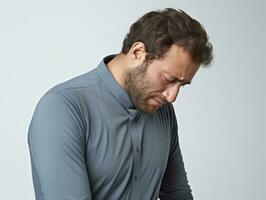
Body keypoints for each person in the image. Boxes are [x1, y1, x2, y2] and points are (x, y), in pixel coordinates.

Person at [28, 8, 213, 200]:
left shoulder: (164, 112)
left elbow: (177, 194)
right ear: (138, 52)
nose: (172, 96)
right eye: (168, 78)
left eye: (181, 85)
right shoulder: (63, 108)